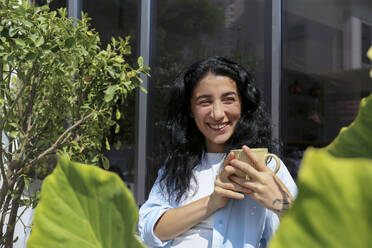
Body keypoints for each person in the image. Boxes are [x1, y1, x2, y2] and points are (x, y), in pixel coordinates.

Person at [138, 56, 297, 248]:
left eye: (228, 99)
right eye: (205, 102)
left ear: (243, 104)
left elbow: (306, 237)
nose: (217, 113)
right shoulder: (179, 164)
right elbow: (150, 231)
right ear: (190, 110)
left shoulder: (265, 166)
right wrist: (212, 202)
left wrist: (282, 204)